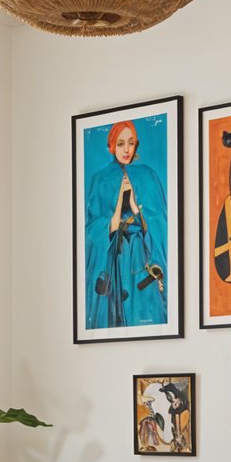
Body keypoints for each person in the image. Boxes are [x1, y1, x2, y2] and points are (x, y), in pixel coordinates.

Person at [84, 120, 169, 330]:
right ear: (112, 146)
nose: (126, 149)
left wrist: (134, 207)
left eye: (130, 143)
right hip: (113, 260)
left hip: (139, 259)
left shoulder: (148, 176)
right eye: (120, 143)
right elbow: (91, 229)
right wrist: (116, 211)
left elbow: (160, 224)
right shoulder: (100, 179)